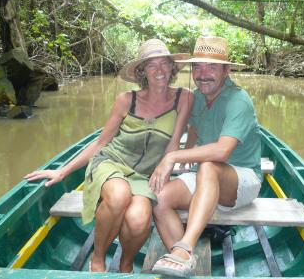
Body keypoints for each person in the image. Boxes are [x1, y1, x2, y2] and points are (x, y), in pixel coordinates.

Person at [24, 39, 193, 273]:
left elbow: (174, 144)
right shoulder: (126, 100)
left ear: (172, 67)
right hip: (111, 163)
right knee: (118, 195)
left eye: (164, 63)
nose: (160, 71)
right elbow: (101, 142)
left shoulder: (184, 97)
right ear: (142, 71)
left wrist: (164, 170)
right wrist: (62, 171)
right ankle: (98, 258)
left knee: (138, 220)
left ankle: (125, 264)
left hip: (145, 175)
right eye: (152, 65)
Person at [149, 36, 263, 277]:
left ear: (226, 70)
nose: (203, 74)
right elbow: (195, 125)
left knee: (209, 165)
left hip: (242, 179)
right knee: (159, 198)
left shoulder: (239, 100)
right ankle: (184, 262)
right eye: (197, 67)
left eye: (211, 67)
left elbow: (222, 152)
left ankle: (185, 248)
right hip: (204, 175)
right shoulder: (198, 97)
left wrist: (174, 157)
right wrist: (190, 148)